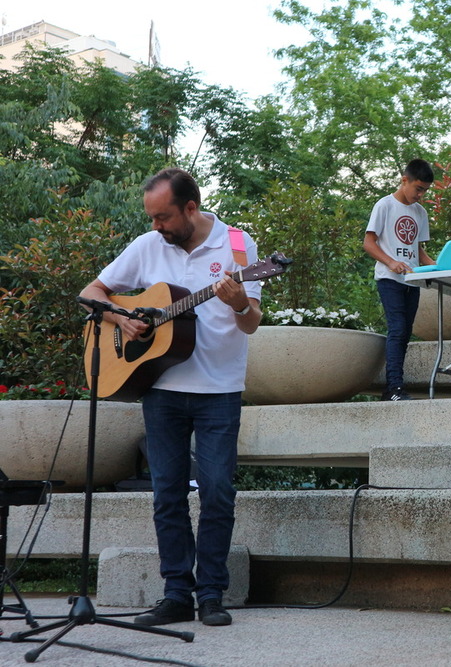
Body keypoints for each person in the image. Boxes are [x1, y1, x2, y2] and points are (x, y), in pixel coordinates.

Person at [79, 168, 263, 627]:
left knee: (218, 491)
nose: (156, 225)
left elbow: (252, 322)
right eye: (152, 217)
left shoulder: (238, 245)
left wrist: (239, 301)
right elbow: (92, 293)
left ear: (191, 208)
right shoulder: (148, 246)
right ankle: (177, 593)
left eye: (163, 216)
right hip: (159, 388)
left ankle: (212, 594)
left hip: (219, 389)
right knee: (167, 495)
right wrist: (122, 320)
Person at [363, 159, 436, 401]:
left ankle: (393, 387)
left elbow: (418, 250)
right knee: (397, 329)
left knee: (406, 332)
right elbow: (368, 243)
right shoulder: (384, 205)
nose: (421, 195)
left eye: (425, 190)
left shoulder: (420, 212)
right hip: (389, 279)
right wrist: (391, 262)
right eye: (418, 188)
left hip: (411, 282)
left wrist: (439, 267)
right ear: (405, 180)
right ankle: (394, 387)